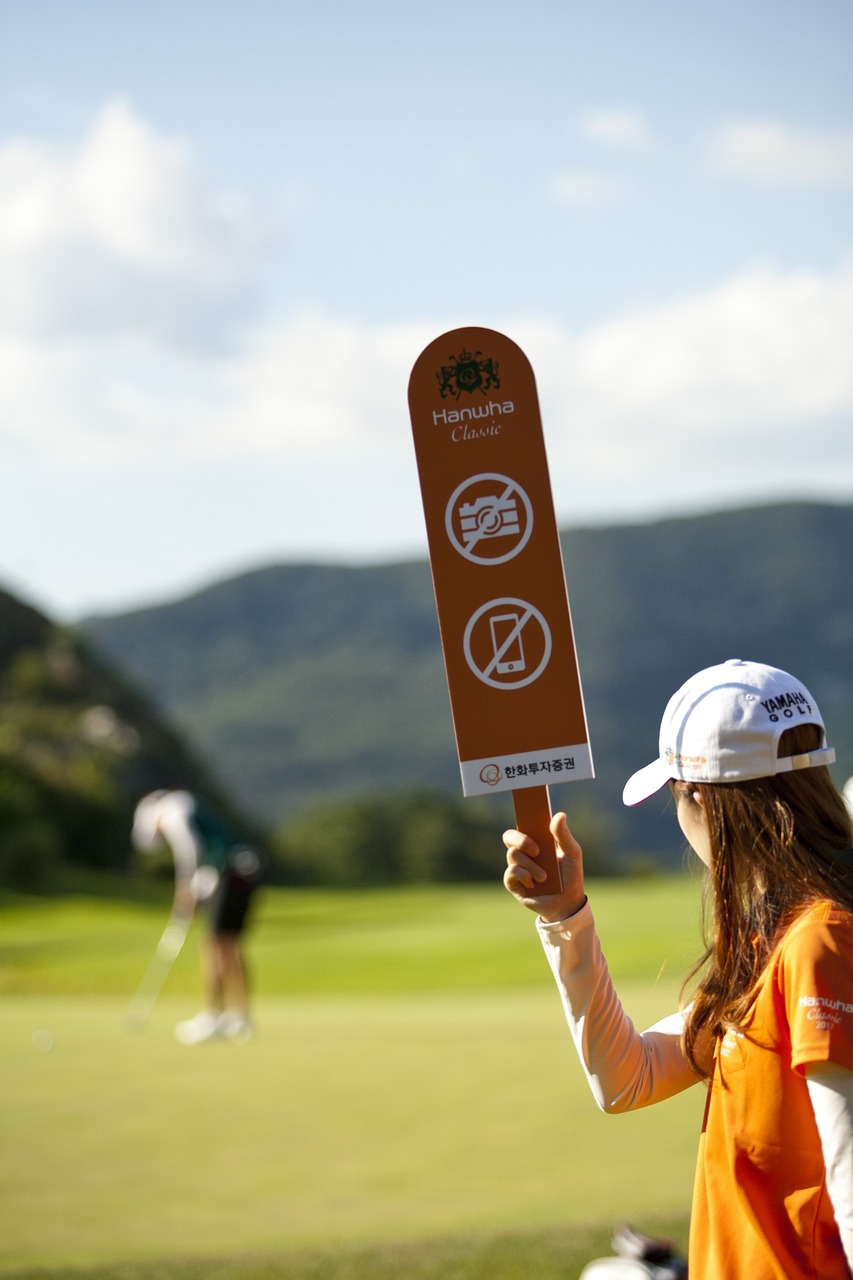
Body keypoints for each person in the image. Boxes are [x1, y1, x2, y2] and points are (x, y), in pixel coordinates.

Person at [503, 659, 853, 1280]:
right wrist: (565, 918)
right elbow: (626, 1079)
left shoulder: (819, 940)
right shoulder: (774, 940)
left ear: (699, 796)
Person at [132, 789, 263, 1044]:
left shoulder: (171, 810)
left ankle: (216, 1016)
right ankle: (237, 1017)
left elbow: (189, 850)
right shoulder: (188, 804)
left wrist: (184, 891)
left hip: (229, 873)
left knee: (215, 943)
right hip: (241, 871)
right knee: (227, 943)